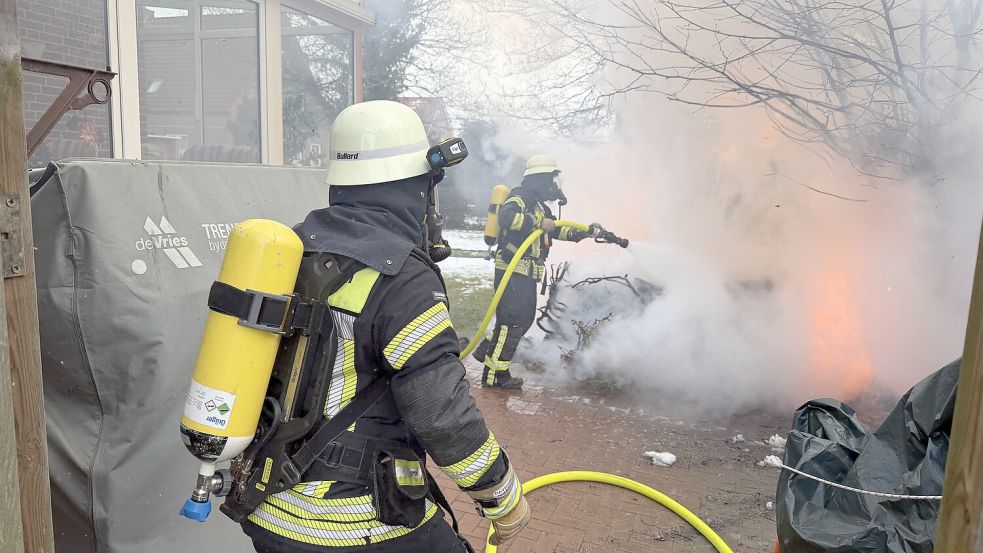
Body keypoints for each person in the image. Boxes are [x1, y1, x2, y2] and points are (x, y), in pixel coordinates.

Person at [242, 100, 529, 552]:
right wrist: (501, 494)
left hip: (267, 505)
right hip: (352, 522)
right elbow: (443, 415)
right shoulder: (403, 279)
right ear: (414, 185)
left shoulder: (293, 250)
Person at [473, 155, 589, 389]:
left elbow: (555, 231)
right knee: (512, 322)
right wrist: (538, 221)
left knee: (522, 320)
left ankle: (487, 349)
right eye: (551, 179)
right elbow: (507, 217)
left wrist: (583, 233)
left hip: (526, 273)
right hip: (512, 269)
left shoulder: (540, 206)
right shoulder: (521, 196)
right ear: (540, 179)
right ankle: (495, 375)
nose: (555, 186)